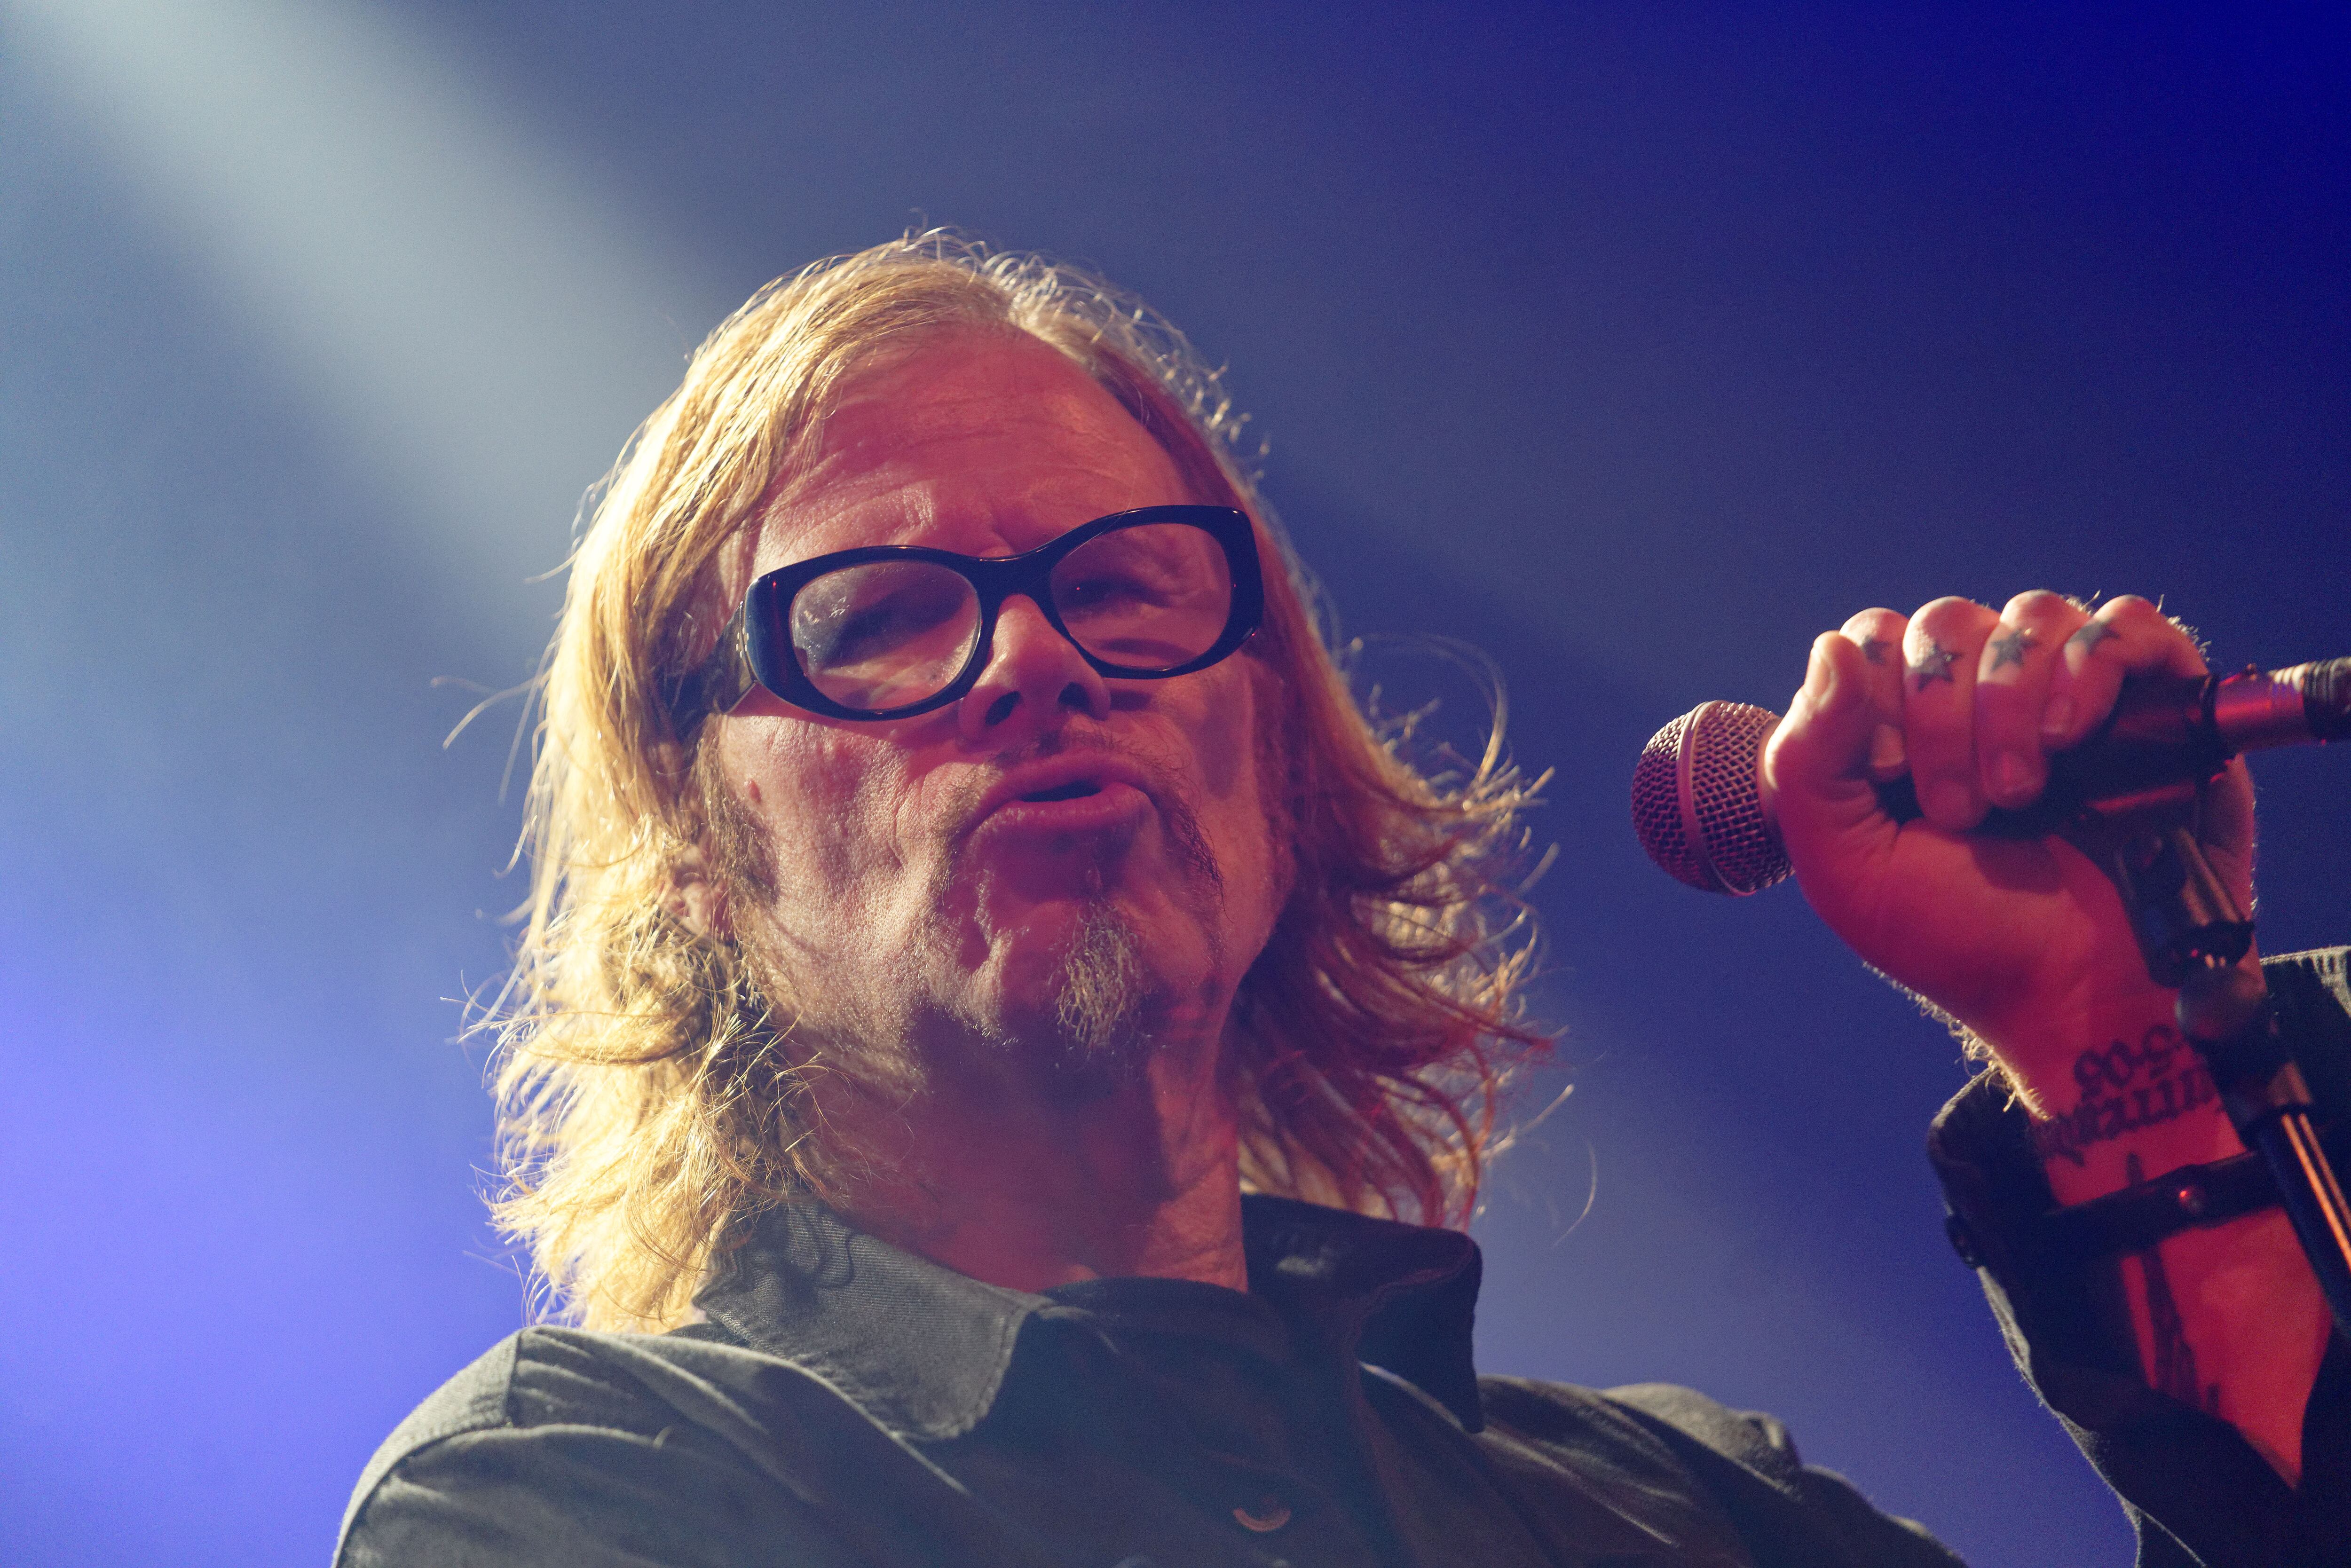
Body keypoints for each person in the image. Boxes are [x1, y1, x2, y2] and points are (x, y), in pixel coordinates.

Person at [338, 236, 2344, 1567]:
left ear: (1271, 748)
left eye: (1122, 586)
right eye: (878, 619)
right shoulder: (588, 1498)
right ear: (691, 843)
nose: (1038, 667)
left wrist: (2114, 1043)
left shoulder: (1684, 1514)